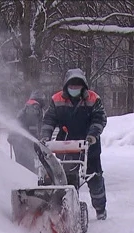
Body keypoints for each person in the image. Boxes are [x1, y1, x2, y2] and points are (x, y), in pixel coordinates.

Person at [40, 68, 108, 220]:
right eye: (72, 86)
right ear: (66, 86)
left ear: (84, 86)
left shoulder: (93, 99)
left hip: (89, 145)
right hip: (67, 145)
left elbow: (99, 119)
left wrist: (92, 136)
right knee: (69, 178)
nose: (75, 89)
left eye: (78, 86)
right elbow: (49, 120)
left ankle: (100, 209)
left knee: (94, 177)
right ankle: (71, 208)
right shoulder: (57, 99)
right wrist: (45, 137)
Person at [8, 89, 48, 173]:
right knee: (27, 165)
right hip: (22, 141)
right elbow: (33, 126)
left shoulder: (29, 106)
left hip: (18, 139)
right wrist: (36, 140)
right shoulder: (34, 107)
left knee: (22, 163)